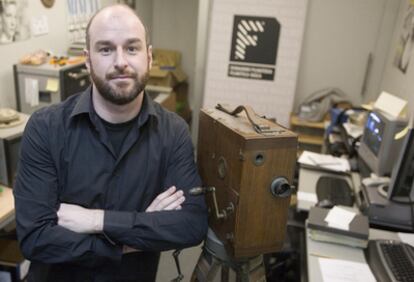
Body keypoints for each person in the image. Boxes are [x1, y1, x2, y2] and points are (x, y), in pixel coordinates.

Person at [14, 4, 208, 282]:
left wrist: (95, 220)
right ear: (88, 60)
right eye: (106, 49)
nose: (120, 61)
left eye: (132, 48)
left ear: (149, 57)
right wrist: (136, 236)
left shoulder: (173, 133)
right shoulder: (46, 128)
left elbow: (191, 225)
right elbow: (35, 238)